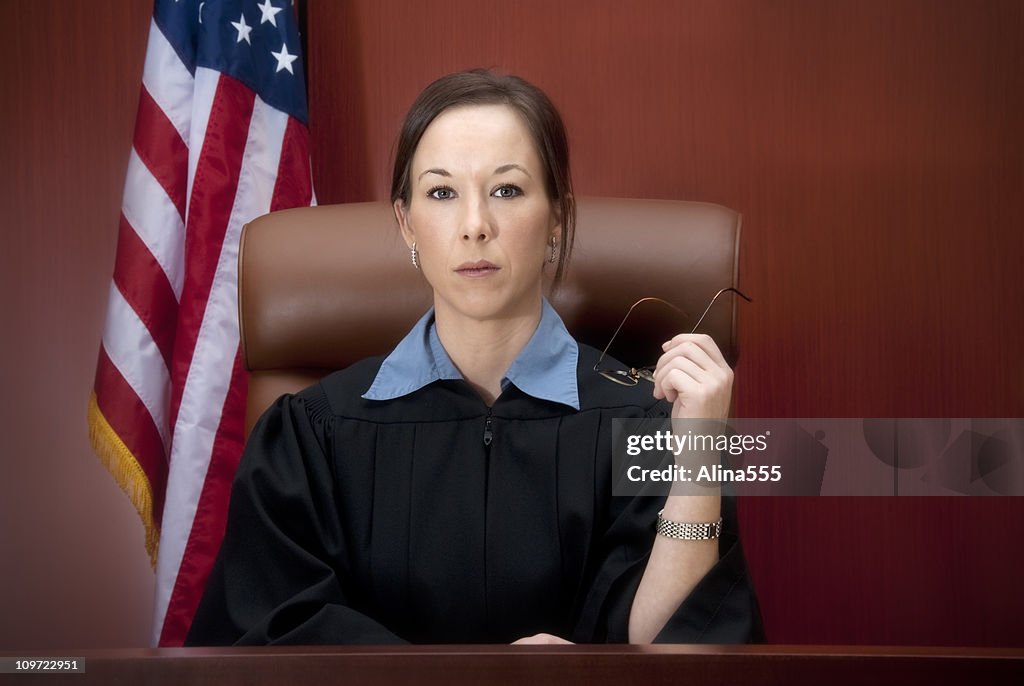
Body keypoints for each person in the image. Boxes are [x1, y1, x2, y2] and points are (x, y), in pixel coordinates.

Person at [185, 69, 763, 646]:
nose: (474, 226)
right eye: (441, 193)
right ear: (406, 223)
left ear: (557, 217)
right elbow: (270, 638)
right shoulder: (311, 433)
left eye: (507, 190)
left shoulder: (650, 426)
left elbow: (682, 659)